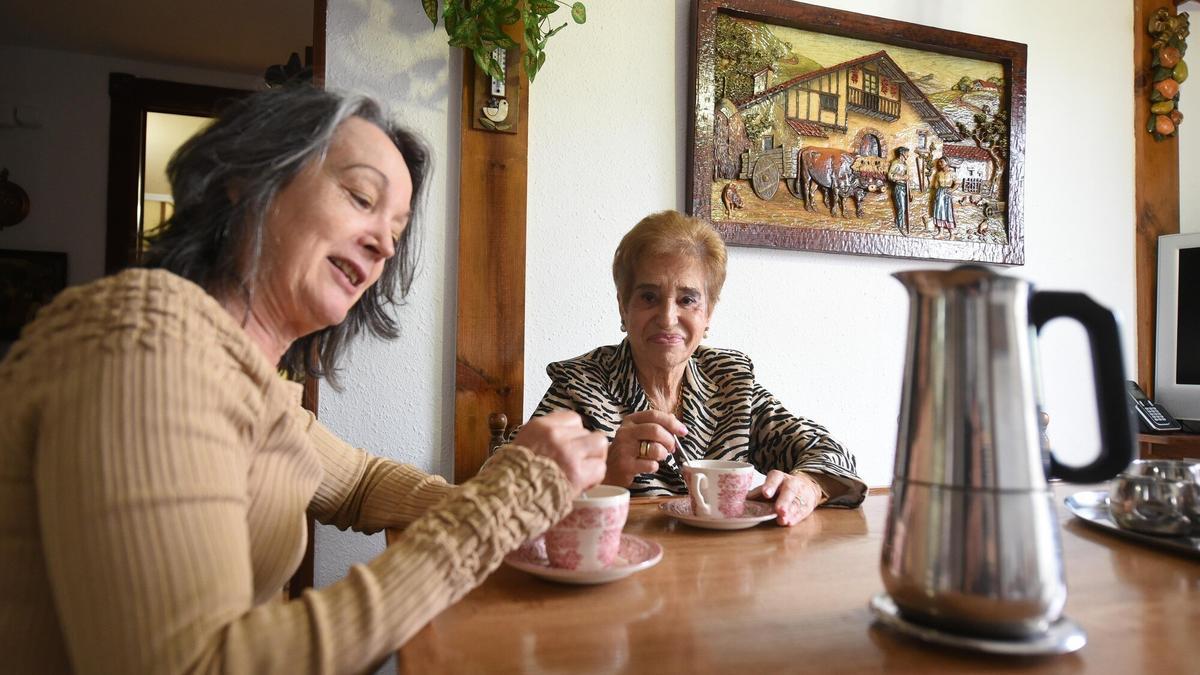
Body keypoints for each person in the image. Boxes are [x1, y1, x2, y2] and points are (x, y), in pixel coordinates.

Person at [0, 86, 608, 674]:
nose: (382, 247)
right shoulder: (146, 345)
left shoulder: (238, 371)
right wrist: (504, 504)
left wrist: (519, 511)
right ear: (251, 180)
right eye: (360, 198)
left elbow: (360, 484)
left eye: (396, 232)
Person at [524, 210, 866, 526]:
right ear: (623, 307)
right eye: (648, 297)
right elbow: (499, 493)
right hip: (618, 574)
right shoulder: (582, 386)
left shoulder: (730, 381)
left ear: (708, 313)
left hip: (717, 575)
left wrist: (808, 485)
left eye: (688, 299)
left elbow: (829, 451)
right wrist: (604, 475)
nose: (668, 318)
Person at [930, 156, 958, 238]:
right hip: (940, 193)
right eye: (939, 162)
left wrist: (952, 190)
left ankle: (952, 233)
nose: (940, 164)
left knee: (948, 212)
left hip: (947, 194)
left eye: (941, 162)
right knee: (939, 212)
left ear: (947, 162)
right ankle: (941, 232)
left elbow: (957, 183)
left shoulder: (952, 173)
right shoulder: (938, 174)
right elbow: (935, 185)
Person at [888, 146, 911, 235]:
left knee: (904, 208)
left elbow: (908, 179)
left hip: (905, 188)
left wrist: (910, 192)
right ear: (902, 153)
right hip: (898, 187)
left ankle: (898, 222)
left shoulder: (905, 165)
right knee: (901, 207)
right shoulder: (896, 163)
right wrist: (902, 177)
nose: (908, 155)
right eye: (907, 153)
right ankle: (900, 226)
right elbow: (890, 176)